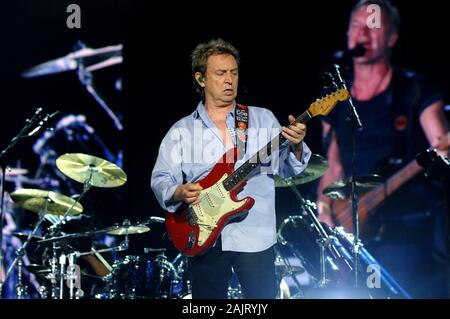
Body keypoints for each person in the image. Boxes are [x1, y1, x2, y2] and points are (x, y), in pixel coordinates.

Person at [151, 38, 311, 299]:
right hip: (202, 233)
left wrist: (296, 146)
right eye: (220, 73)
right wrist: (178, 191)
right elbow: (160, 178)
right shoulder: (182, 130)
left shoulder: (261, 119)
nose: (229, 80)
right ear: (201, 79)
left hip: (256, 234)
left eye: (234, 73)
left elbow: (288, 170)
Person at [316, 0, 449, 298]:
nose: (363, 32)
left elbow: (442, 145)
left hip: (407, 226)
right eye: (355, 25)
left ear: (391, 38)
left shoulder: (414, 89)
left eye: (373, 25)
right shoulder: (335, 98)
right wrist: (325, 214)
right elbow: (332, 167)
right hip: (351, 227)